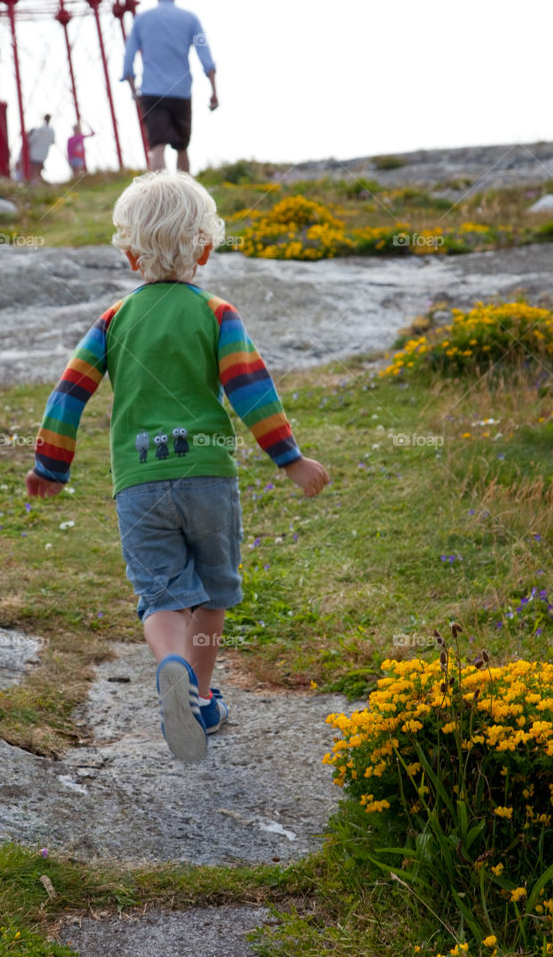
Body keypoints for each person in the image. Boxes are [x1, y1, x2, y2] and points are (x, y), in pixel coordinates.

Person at [25, 172, 329, 763]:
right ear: (206, 249)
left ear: (130, 252)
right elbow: (251, 391)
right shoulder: (217, 313)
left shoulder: (113, 321)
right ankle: (202, 694)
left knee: (160, 595)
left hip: (139, 486)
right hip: (209, 479)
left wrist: (50, 465)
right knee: (212, 591)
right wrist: (289, 459)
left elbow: (69, 393)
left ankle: (170, 666)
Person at [121, 0, 219, 173]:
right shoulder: (190, 19)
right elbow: (204, 50)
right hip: (181, 92)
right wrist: (213, 90)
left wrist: (133, 90)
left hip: (151, 91)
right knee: (182, 146)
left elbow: (129, 56)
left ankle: (157, 197)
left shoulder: (141, 20)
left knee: (157, 147)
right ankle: (186, 196)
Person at [26, 115, 55, 181]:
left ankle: (35, 182)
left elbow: (30, 141)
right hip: (44, 154)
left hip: (34, 154)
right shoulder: (52, 131)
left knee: (34, 171)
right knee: (39, 170)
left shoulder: (37, 130)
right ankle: (38, 182)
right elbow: (53, 142)